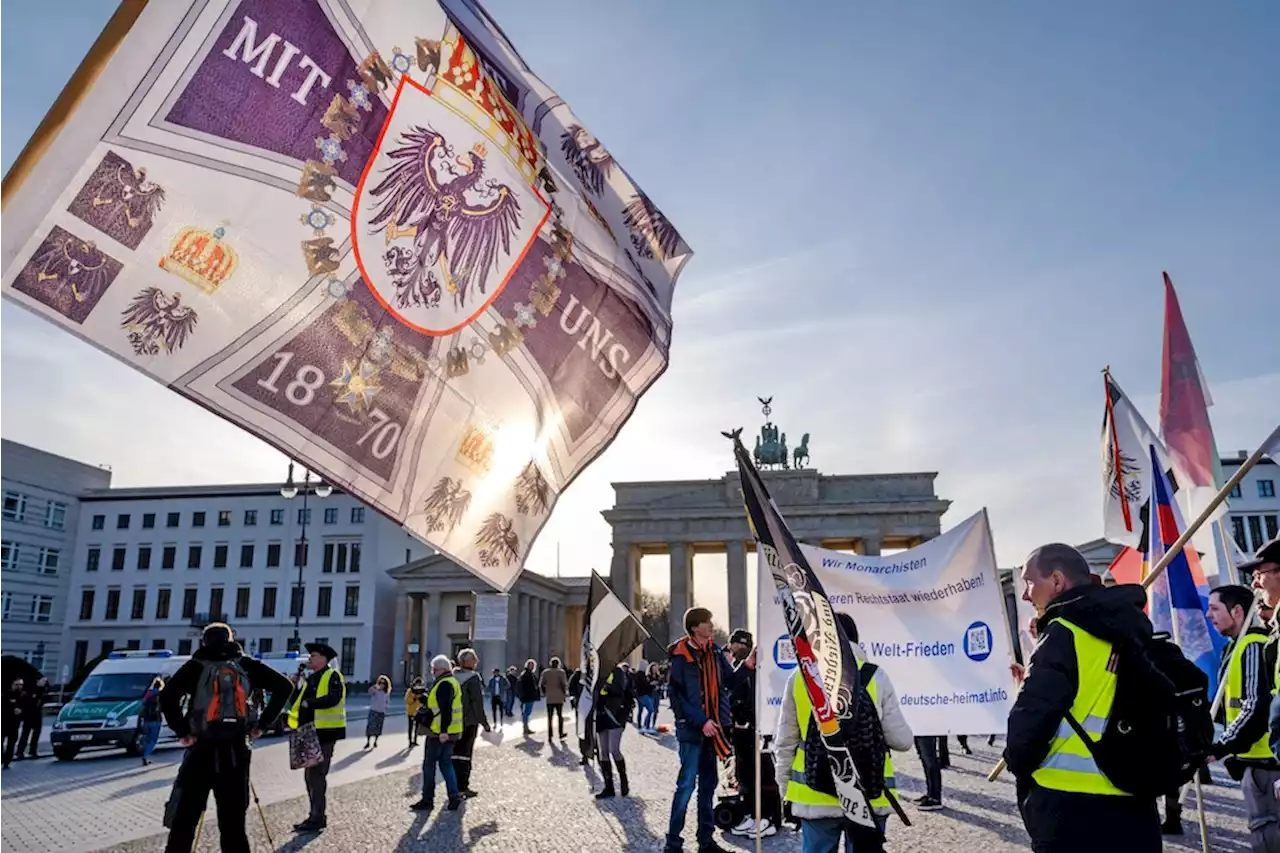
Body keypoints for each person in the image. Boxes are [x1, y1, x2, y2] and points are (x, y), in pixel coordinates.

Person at [1005, 543, 1161, 853]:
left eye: (1030, 582)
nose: (1025, 594)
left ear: (1058, 581)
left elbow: (1031, 722)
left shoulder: (1063, 632)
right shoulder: (1132, 626)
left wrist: (1017, 763)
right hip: (1134, 795)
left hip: (1069, 806)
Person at [775, 612, 914, 852]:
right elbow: (901, 741)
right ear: (854, 639)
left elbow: (785, 742)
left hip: (813, 794)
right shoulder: (874, 675)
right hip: (869, 796)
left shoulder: (799, 678)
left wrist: (785, 790)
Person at [158, 622, 292, 853]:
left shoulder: (195, 666)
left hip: (201, 748)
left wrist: (183, 731)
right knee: (233, 823)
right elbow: (284, 686)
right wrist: (261, 724)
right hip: (236, 749)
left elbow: (167, 696)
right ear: (231, 639)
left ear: (204, 642)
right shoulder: (246, 665)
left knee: (185, 819)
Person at [1204, 583, 1280, 850]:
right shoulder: (1236, 647)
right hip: (1252, 760)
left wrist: (1222, 747)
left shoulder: (1252, 645)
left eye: (1214, 608)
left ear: (1237, 611)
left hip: (1265, 765)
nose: (1208, 616)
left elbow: (1255, 707)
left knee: (1268, 835)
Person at [665, 607, 735, 853]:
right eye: (707, 622)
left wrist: (748, 665)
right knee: (686, 786)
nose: (711, 626)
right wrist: (701, 721)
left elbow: (732, 680)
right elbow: (676, 697)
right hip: (693, 731)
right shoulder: (679, 656)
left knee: (709, 786)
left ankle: (706, 841)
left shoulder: (715, 651)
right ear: (695, 628)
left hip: (713, 730)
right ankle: (673, 842)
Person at [287, 641, 347, 834]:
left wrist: (309, 703)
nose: (309, 659)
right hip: (309, 732)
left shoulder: (332, 676)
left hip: (325, 733)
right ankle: (314, 815)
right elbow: (296, 702)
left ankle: (318, 817)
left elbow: (333, 698)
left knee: (317, 776)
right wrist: (294, 686)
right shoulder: (311, 678)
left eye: (313, 656)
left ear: (323, 658)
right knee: (310, 776)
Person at [725, 629, 780, 838]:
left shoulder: (755, 670)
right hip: (742, 731)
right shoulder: (739, 668)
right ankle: (751, 813)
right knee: (745, 775)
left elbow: (752, 698)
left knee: (761, 774)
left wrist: (743, 719)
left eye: (733, 644)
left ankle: (767, 817)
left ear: (741, 645)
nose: (731, 648)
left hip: (752, 728)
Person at [411, 655, 463, 812]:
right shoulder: (451, 682)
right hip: (451, 731)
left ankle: (428, 800)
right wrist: (423, 697)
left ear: (442, 669)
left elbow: (445, 709)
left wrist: (443, 731)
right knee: (446, 764)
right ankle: (454, 797)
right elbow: (439, 706)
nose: (432, 672)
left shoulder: (444, 684)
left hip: (439, 732)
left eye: (434, 669)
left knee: (429, 765)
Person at [452, 649, 492, 798]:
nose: (476, 662)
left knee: (454, 755)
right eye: (474, 659)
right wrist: (485, 724)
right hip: (469, 722)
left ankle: (453, 785)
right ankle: (463, 786)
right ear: (467, 662)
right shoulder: (473, 678)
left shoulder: (453, 677)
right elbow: (477, 704)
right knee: (465, 755)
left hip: (454, 722)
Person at [594, 659, 635, 799]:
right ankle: (609, 786)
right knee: (603, 752)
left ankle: (624, 782)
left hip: (615, 715)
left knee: (614, 749)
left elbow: (618, 690)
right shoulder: (596, 674)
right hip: (601, 715)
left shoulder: (617, 672)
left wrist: (604, 689)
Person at [16, 676, 48, 760]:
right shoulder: (31, 689)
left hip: (37, 715)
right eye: (43, 681)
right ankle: (20, 752)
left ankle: (33, 751)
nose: (44, 683)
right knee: (25, 734)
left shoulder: (43, 689)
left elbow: (44, 699)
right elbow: (27, 701)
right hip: (29, 714)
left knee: (36, 734)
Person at [540, 656, 569, 740]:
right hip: (559, 697)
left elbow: (541, 684)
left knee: (550, 717)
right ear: (558, 664)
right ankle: (561, 733)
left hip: (549, 697)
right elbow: (564, 685)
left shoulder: (545, 672)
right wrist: (564, 695)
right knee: (560, 716)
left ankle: (550, 735)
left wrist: (545, 693)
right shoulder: (561, 672)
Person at [913, 734, 945, 809]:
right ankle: (930, 794)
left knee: (930, 760)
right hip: (919, 729)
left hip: (927, 729)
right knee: (924, 758)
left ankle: (935, 798)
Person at [139, 677, 164, 766]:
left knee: (146, 738)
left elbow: (142, 705)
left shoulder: (148, 694)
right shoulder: (161, 695)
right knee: (153, 740)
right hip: (156, 719)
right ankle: (146, 756)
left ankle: (143, 750)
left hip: (146, 719)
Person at [0, 678, 22, 770]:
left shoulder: (22, 695)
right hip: (4, 723)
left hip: (15, 724)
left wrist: (21, 711)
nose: (18, 687)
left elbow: (27, 707)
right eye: (16, 684)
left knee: (11, 744)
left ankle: (7, 761)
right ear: (12, 685)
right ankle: (2, 757)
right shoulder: (6, 694)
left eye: (20, 685)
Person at [366, 675, 391, 749]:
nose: (382, 684)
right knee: (370, 727)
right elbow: (369, 692)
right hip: (374, 710)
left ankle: (375, 741)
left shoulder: (386, 692)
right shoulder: (375, 690)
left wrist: (386, 708)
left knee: (378, 728)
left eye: (383, 683)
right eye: (380, 682)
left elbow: (387, 701)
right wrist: (374, 687)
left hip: (381, 712)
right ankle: (368, 741)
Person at [519, 659, 540, 736]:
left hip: (529, 696)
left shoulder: (530, 673)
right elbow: (524, 686)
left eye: (532, 665)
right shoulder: (526, 674)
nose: (531, 666)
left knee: (527, 712)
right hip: (527, 696)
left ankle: (526, 727)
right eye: (530, 665)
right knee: (526, 712)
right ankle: (525, 728)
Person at [406, 676, 428, 748]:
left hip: (418, 712)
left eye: (420, 684)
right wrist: (414, 698)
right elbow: (408, 701)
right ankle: (410, 741)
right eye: (417, 684)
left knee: (417, 727)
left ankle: (415, 740)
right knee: (411, 727)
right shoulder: (410, 691)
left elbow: (424, 702)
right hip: (411, 711)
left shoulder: (422, 691)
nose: (418, 686)